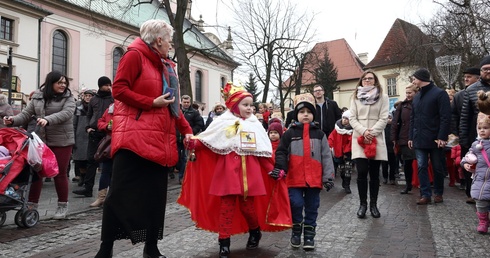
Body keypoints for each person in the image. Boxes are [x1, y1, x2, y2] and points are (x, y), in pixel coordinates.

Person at [94, 19, 193, 258]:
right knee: (118, 195)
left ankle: (151, 248)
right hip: (134, 140)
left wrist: (187, 130)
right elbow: (119, 89)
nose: (171, 44)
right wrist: (150, 102)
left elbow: (174, 106)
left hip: (160, 140)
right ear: (159, 40)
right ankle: (105, 250)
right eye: (169, 40)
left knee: (155, 197)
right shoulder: (134, 56)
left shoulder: (167, 65)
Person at [178, 82, 291, 258]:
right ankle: (224, 241)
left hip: (250, 172)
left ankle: (255, 230)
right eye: (245, 105)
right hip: (228, 172)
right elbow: (209, 141)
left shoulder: (255, 125)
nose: (250, 108)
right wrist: (193, 142)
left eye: (251, 105)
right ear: (233, 105)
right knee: (226, 206)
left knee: (248, 207)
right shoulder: (223, 122)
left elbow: (261, 152)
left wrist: (271, 169)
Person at [4, 71, 75, 219]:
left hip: (62, 141)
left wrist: (48, 119)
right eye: (59, 82)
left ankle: (63, 206)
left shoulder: (68, 98)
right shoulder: (37, 96)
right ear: (51, 83)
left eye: (64, 83)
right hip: (40, 141)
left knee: (59, 173)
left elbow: (67, 113)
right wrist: (13, 120)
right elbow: (26, 114)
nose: (63, 85)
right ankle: (31, 205)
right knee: (36, 172)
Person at [271, 93, 334, 250]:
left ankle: (309, 236)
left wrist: (328, 177)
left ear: (313, 114)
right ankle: (296, 229)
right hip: (295, 177)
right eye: (302, 112)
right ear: (296, 115)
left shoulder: (319, 134)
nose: (305, 114)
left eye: (309, 112)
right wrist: (281, 167)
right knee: (296, 203)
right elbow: (281, 151)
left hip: (314, 178)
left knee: (312, 207)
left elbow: (326, 156)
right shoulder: (289, 133)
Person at [349, 70, 389, 218]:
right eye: (365, 79)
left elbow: (384, 118)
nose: (367, 81)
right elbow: (352, 118)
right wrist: (363, 131)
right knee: (361, 172)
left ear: (375, 80)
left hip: (376, 137)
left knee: (374, 173)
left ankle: (373, 204)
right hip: (359, 138)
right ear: (361, 81)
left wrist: (372, 132)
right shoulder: (355, 97)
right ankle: (362, 204)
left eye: (370, 79)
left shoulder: (382, 97)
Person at [409, 68, 451, 205]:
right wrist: (411, 137)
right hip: (419, 138)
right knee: (421, 166)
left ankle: (438, 193)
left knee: (437, 167)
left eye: (414, 78)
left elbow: (445, 117)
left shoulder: (439, 94)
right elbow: (413, 118)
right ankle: (425, 194)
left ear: (421, 78)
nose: (413, 81)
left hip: (435, 138)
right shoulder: (417, 97)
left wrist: (442, 137)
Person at [73, 76, 114, 198]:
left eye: (109, 85)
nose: (108, 87)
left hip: (108, 132)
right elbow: (88, 114)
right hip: (95, 132)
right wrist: (88, 127)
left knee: (108, 162)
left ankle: (109, 190)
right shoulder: (93, 100)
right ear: (100, 85)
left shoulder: (113, 99)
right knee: (91, 160)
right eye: (106, 85)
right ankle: (88, 188)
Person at [455, 66, 482, 203]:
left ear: (478, 78)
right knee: (468, 164)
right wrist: (458, 132)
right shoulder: (459, 95)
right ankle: (470, 192)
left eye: (469, 76)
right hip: (468, 135)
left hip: (481, 133)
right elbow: (456, 115)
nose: (466, 78)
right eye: (465, 76)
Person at [461, 113, 490, 233]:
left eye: (486, 128)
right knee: (480, 202)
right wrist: (465, 164)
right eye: (479, 128)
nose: (482, 131)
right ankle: (483, 222)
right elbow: (466, 156)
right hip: (480, 179)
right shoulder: (476, 145)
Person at [391, 83, 419, 194]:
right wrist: (394, 138)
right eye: (406, 93)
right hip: (404, 138)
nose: (407, 95)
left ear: (416, 93)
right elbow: (395, 123)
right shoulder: (402, 106)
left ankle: (421, 183)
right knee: (407, 163)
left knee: (421, 163)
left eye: (410, 93)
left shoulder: (420, 104)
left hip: (418, 137)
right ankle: (408, 184)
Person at [90, 103, 114, 207]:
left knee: (117, 172)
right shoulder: (110, 108)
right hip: (109, 143)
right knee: (106, 171)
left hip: (123, 143)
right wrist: (107, 126)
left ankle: (113, 197)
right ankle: (101, 197)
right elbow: (100, 122)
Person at [176, 94, 204, 183]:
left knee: (184, 158)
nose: (186, 104)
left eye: (188, 102)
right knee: (176, 157)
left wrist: (191, 132)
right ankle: (172, 172)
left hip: (187, 139)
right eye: (184, 102)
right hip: (176, 137)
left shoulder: (194, 112)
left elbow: (200, 124)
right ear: (181, 102)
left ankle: (182, 177)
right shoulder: (176, 110)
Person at [328, 109, 353, 194]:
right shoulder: (337, 129)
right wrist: (331, 146)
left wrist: (347, 152)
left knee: (348, 170)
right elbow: (331, 137)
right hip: (338, 153)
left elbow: (351, 142)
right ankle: (344, 181)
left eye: (347, 119)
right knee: (342, 170)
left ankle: (347, 185)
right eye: (344, 118)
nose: (345, 120)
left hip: (348, 154)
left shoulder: (351, 131)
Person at [72, 90, 94, 184]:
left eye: (90, 96)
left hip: (91, 135)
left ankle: (87, 179)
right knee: (79, 160)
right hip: (80, 135)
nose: (88, 97)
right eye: (86, 96)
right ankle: (82, 176)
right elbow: (74, 123)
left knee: (89, 160)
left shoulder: (94, 107)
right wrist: (73, 136)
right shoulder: (78, 107)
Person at [382, 113, 397, 185]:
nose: (389, 119)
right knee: (384, 165)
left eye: (390, 118)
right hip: (384, 148)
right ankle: (385, 177)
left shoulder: (394, 127)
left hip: (392, 148)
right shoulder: (382, 128)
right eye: (387, 118)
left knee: (392, 164)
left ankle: (392, 178)